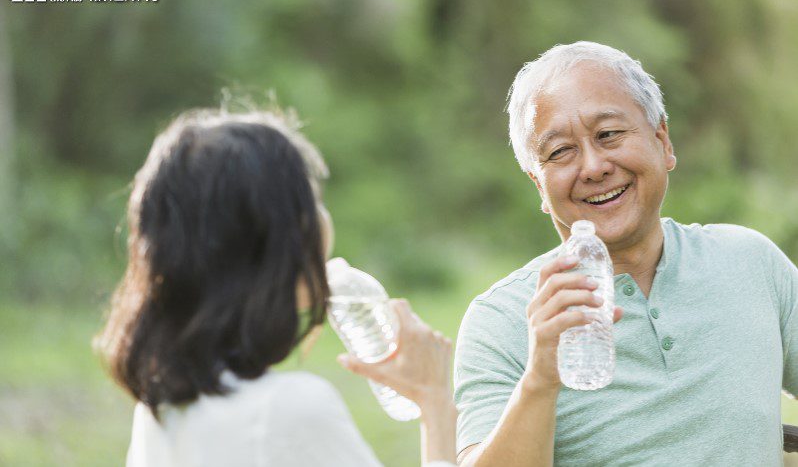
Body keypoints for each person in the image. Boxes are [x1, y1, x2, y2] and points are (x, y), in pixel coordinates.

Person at [454, 41, 798, 466]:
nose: (594, 166)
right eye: (560, 152)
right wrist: (541, 377)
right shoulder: (500, 321)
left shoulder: (750, 262)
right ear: (539, 186)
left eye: (609, 135)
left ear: (663, 142)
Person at [95, 108, 458, 466]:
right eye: (311, 202)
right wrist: (436, 402)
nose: (323, 219)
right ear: (278, 240)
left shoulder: (161, 405)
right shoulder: (290, 410)